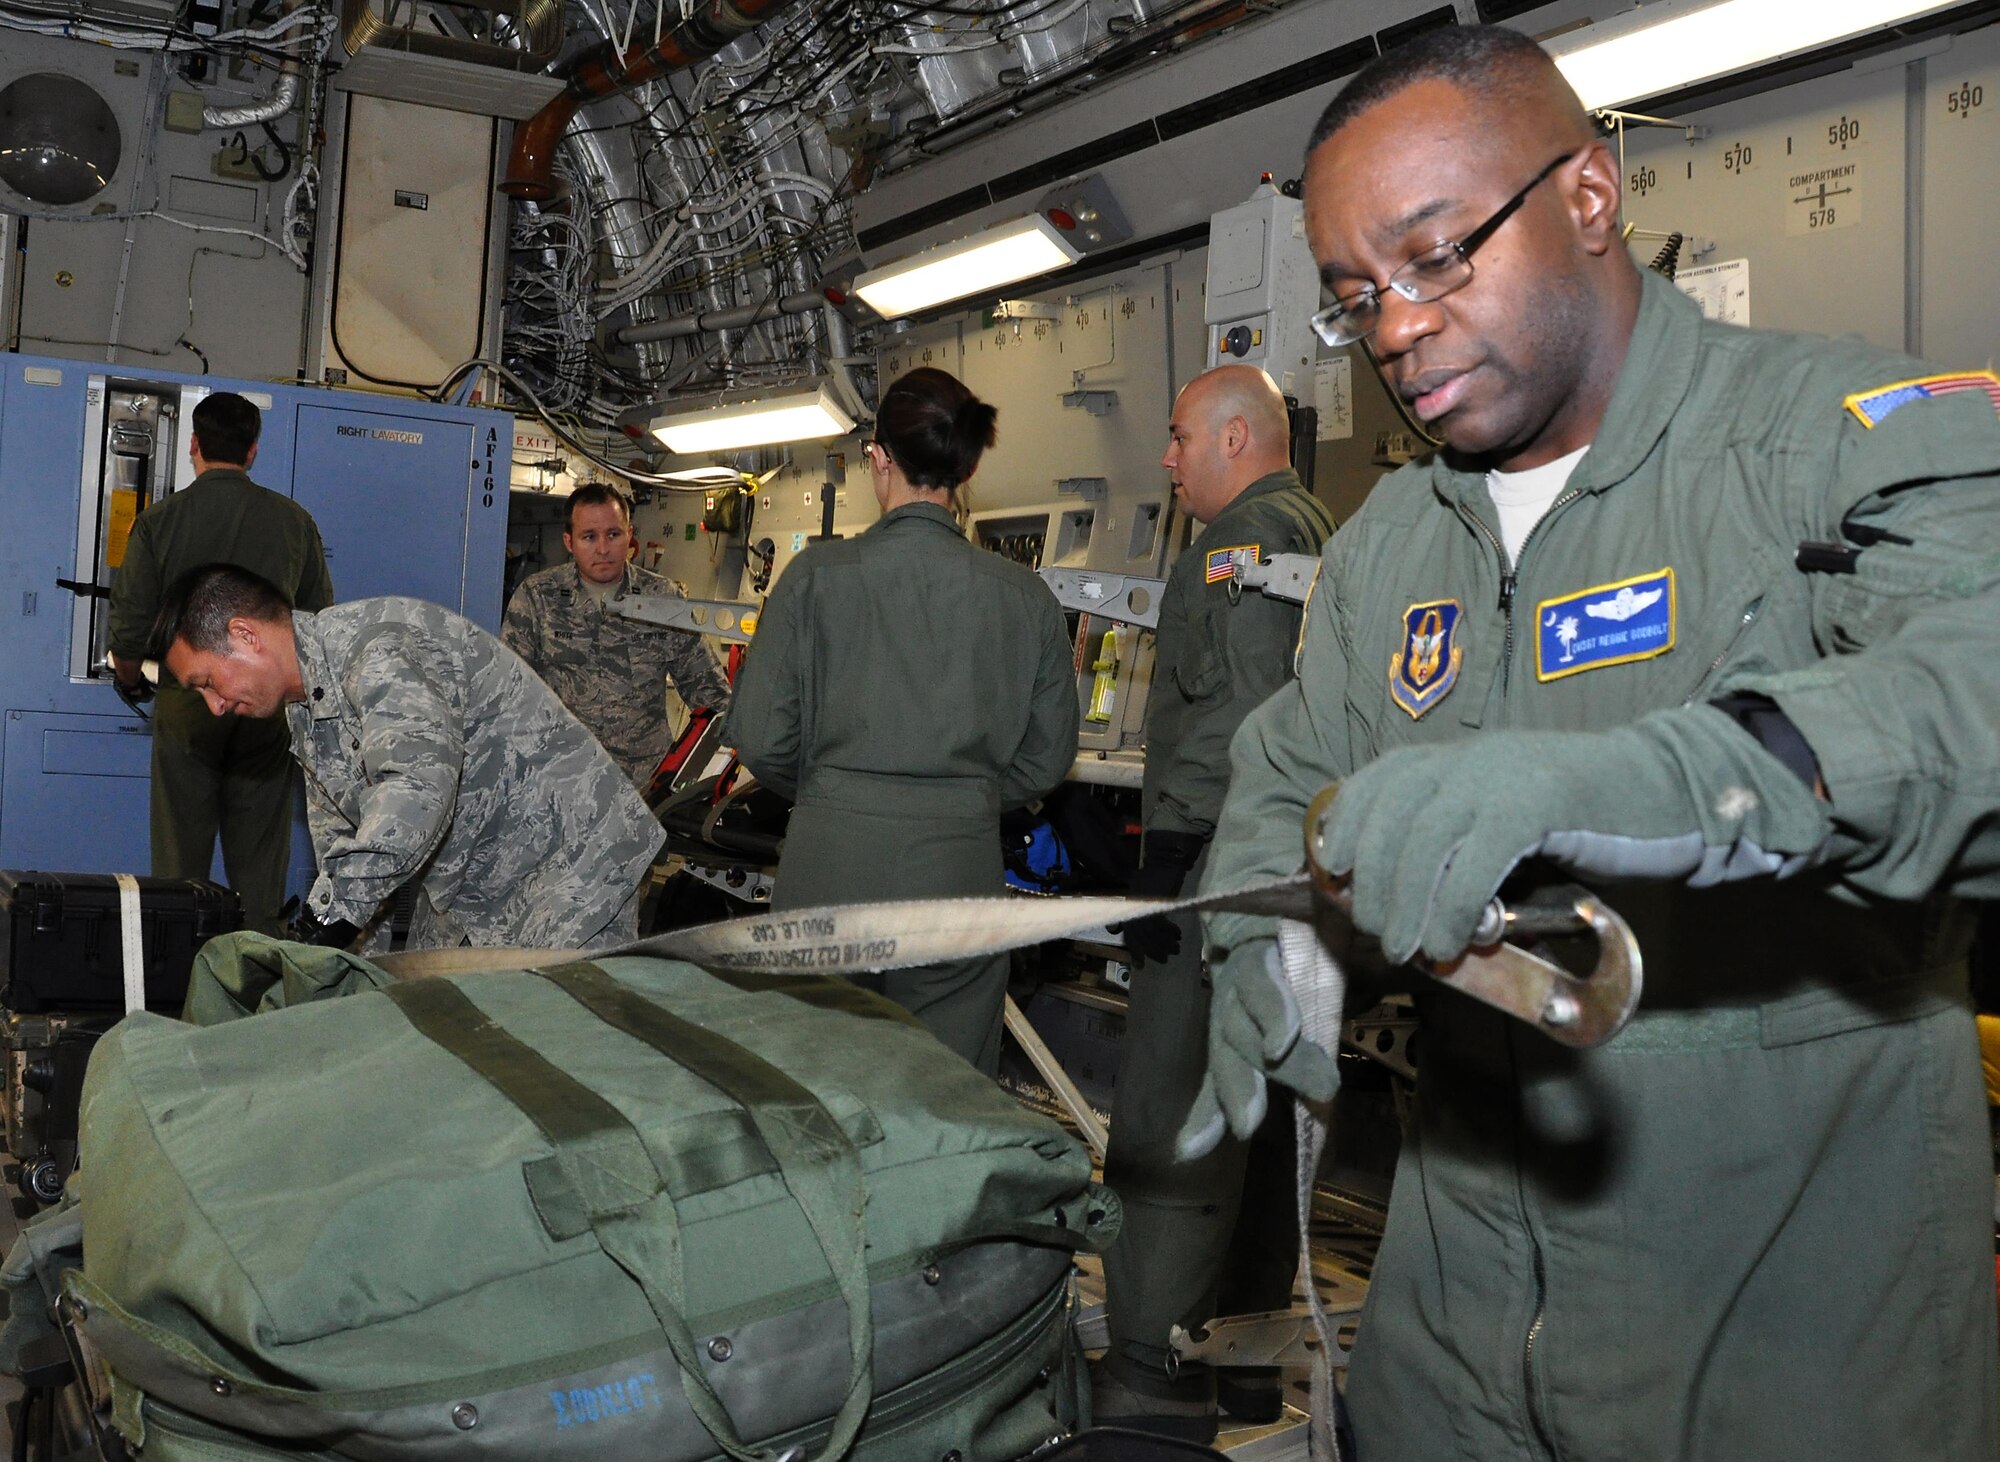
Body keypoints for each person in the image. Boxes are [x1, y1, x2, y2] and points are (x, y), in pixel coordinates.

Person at [1187, 24, 2000, 1460]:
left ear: (1588, 198)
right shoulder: (1392, 545)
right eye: (1356, 295)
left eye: (1440, 256)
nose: (1395, 327)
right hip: (1451, 1338)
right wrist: (1270, 923)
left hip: (1781, 1340)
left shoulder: (1828, 435)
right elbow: (1289, 763)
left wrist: (1661, 779)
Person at [1094, 364, 1336, 1438]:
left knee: (1177, 1110)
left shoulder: (1234, 547)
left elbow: (1233, 714)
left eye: (1181, 433)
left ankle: (1149, 1368)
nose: (1167, 455)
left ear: (1236, 437)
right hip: (1295, 879)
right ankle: (1247, 1358)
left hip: (1220, 867)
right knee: (1268, 1106)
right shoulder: (1327, 528)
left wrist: (1166, 852)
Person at [727, 368, 1079, 1071]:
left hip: (829, 862)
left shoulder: (814, 579)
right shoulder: (1025, 597)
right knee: (942, 1089)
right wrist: (967, 799)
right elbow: (1046, 759)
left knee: (812, 1077)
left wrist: (835, 790)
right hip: (956, 866)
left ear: (879, 458)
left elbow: (762, 737)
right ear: (969, 466)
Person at [150, 565, 664, 951]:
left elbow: (417, 787)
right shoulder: (306, 705)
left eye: (208, 683)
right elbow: (345, 841)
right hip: (473, 875)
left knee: (549, 1058)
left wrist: (336, 920)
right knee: (425, 1020)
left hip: (572, 859)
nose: (215, 707)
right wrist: (329, 949)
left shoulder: (375, 650)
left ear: (245, 635)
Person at [107, 392, 333, 935]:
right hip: (267, 708)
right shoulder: (294, 521)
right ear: (253, 451)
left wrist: (132, 678)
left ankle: (175, 978)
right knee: (260, 864)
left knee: (179, 862)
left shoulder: (159, 521)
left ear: (193, 445)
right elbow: (319, 622)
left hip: (189, 703)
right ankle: (253, 979)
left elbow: (131, 629)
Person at [502, 482, 732, 789]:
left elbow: (709, 693)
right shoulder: (537, 597)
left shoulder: (662, 598)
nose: (602, 548)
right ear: (569, 542)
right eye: (589, 537)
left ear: (629, 534)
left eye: (613, 534)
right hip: (561, 785)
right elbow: (509, 695)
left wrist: (713, 767)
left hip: (643, 790)